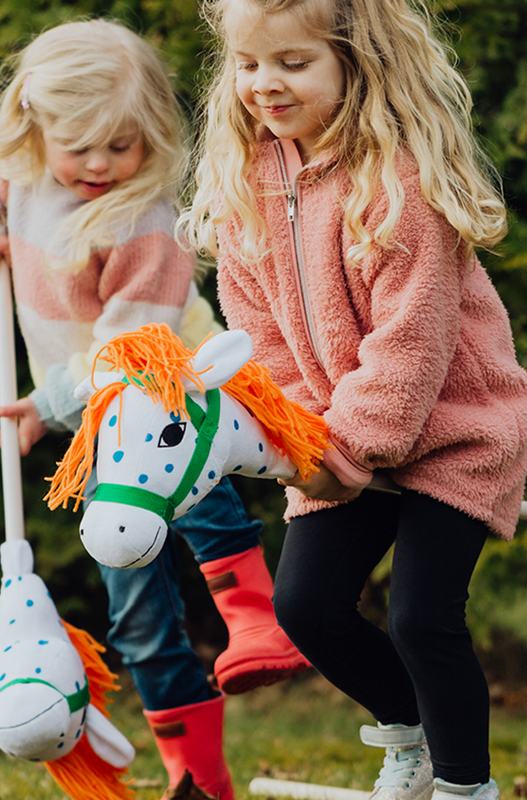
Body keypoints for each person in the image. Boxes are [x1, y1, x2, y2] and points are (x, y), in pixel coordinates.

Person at [0, 18, 310, 799]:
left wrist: (43, 405)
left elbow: (126, 357)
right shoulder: (22, 159)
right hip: (101, 428)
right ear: (35, 128)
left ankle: (255, 620)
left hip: (174, 405)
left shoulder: (145, 221)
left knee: (199, 508)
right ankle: (198, 777)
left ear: (152, 138)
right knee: (135, 616)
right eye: (81, 148)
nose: (101, 165)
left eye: (123, 146)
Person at [180, 0, 527, 799]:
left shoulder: (398, 180)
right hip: (336, 439)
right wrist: (305, 446)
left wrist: (349, 449)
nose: (264, 84)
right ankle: (414, 742)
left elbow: (412, 344)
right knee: (306, 608)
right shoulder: (246, 186)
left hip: (455, 432)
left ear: (353, 65)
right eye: (248, 64)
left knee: (420, 619)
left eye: (292, 64)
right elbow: (260, 342)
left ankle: (465, 788)